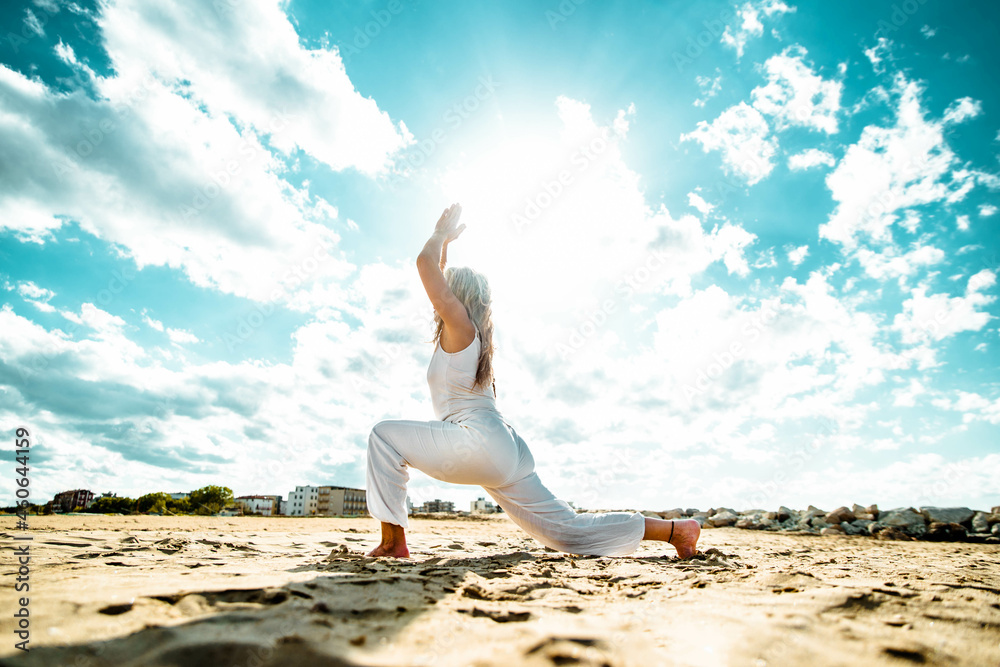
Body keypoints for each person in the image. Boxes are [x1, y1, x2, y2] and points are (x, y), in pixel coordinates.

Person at [365, 203, 700, 559]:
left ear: (456, 298)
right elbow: (437, 275)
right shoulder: (474, 339)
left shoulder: (461, 328)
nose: (438, 296)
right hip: (506, 447)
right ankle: (677, 532)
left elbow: (426, 267)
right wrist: (446, 246)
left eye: (447, 291)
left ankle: (392, 544)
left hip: (477, 442)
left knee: (384, 436)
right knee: (566, 530)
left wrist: (439, 236)